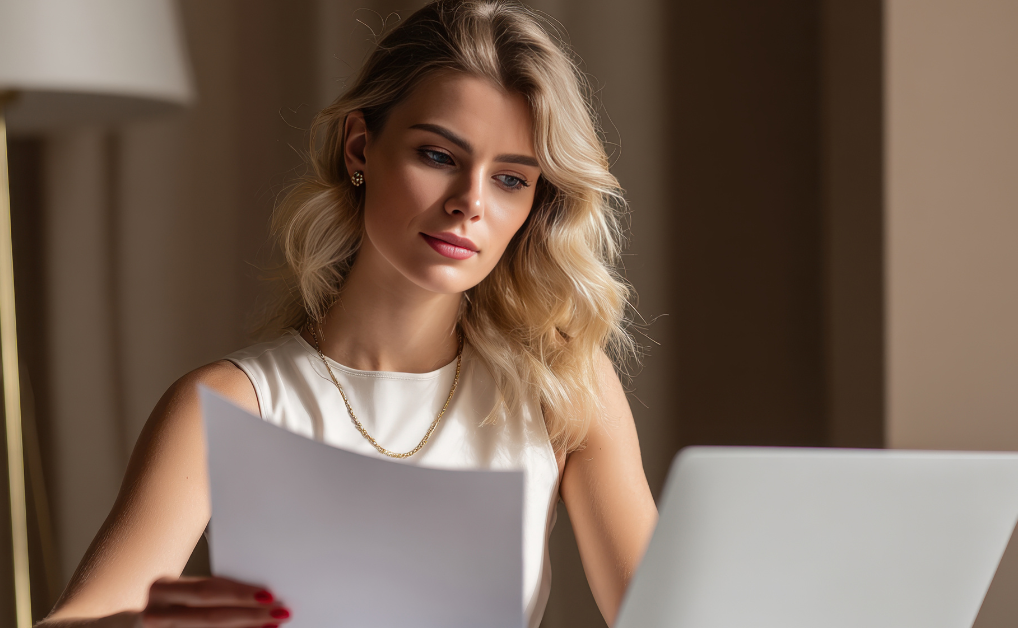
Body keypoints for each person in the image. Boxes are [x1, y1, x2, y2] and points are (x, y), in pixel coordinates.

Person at [39, 1, 657, 626]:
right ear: (359, 146)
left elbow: (671, 613)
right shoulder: (228, 404)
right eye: (439, 156)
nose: (470, 203)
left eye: (510, 180)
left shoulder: (564, 389)